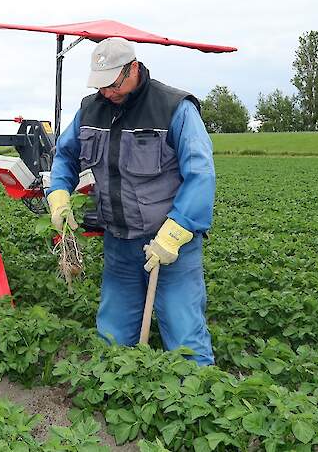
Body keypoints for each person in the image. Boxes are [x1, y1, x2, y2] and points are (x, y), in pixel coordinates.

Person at [46, 37, 216, 365]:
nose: (106, 92)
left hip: (170, 246)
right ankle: (118, 395)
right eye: (101, 85)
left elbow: (201, 173)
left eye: (112, 84)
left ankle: (199, 402)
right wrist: (58, 194)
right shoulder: (91, 108)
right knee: (112, 337)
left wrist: (178, 230)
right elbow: (66, 155)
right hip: (120, 244)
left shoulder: (174, 108)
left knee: (184, 333)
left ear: (133, 69)